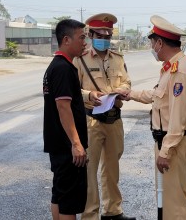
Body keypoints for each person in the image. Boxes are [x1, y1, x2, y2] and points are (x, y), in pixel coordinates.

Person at [115, 15, 186, 220]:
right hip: (169, 143)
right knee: (169, 201)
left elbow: (178, 118)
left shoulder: (179, 72)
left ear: (160, 43)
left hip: (174, 145)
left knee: (175, 204)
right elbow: (157, 97)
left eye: (152, 43)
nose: (152, 47)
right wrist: (130, 94)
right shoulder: (171, 69)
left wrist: (166, 151)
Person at [72, 13, 135, 220]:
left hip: (114, 119)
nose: (105, 39)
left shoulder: (118, 59)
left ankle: (113, 211)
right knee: (89, 171)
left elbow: (127, 82)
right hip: (92, 121)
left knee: (112, 168)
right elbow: (72, 90)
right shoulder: (79, 60)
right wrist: (89, 95)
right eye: (100, 35)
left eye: (108, 36)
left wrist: (121, 90)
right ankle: (90, 215)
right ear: (91, 35)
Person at [43, 19, 89, 220]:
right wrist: (76, 144)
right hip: (66, 146)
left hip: (59, 145)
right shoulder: (62, 68)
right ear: (66, 40)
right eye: (81, 37)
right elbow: (63, 108)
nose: (85, 42)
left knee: (60, 195)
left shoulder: (57, 65)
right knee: (69, 202)